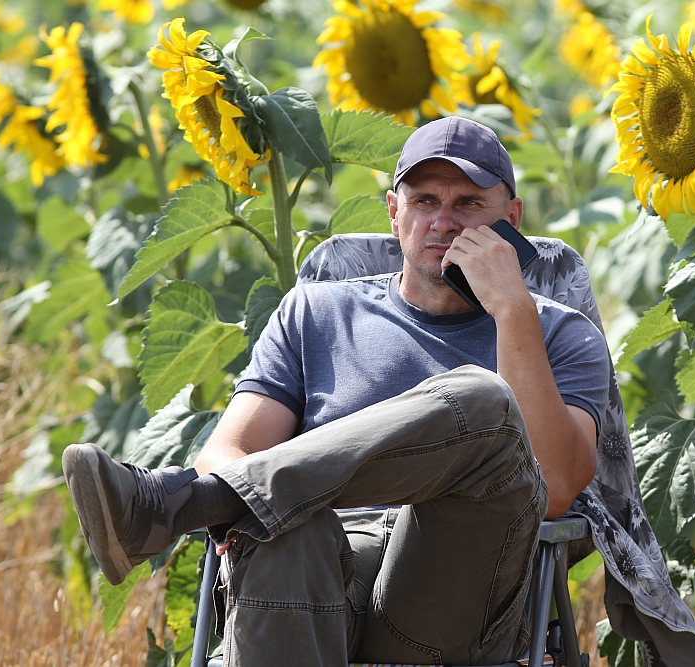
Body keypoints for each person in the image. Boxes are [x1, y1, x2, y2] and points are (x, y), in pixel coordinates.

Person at [62, 117, 611, 666]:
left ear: (510, 220)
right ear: (394, 213)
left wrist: (512, 309)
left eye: (469, 204)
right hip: (319, 569)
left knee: (484, 401)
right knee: (285, 531)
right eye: (424, 201)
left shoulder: (560, 332)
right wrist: (264, 495)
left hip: (451, 596)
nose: (443, 222)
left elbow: (556, 486)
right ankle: (232, 501)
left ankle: (188, 504)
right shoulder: (315, 311)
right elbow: (227, 450)